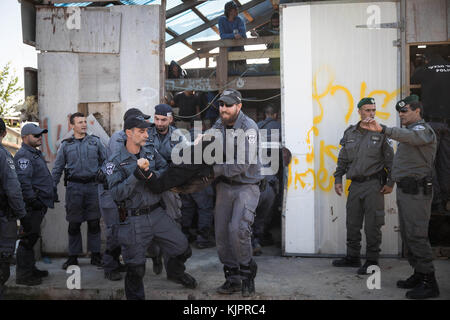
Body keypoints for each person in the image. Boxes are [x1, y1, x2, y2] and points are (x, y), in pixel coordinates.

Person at [106, 115, 197, 300]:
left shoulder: (150, 150)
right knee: (136, 269)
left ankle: (175, 272)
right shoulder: (114, 162)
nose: (147, 135)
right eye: (142, 131)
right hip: (134, 219)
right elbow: (115, 194)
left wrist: (151, 176)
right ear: (129, 133)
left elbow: (165, 168)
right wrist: (135, 176)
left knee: (183, 248)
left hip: (157, 213)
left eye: (147, 130)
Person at [360, 96, 439, 299]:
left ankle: (430, 282)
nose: (401, 115)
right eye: (400, 112)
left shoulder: (422, 131)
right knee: (407, 234)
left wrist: (384, 129)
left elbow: (411, 137)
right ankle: (419, 273)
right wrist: (391, 182)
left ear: (417, 111)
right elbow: (400, 161)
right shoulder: (408, 134)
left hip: (417, 193)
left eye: (405, 111)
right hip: (406, 191)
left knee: (417, 235)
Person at [332, 97, 394, 275]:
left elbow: (391, 160)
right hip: (355, 185)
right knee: (352, 223)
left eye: (373, 110)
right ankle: (352, 257)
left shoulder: (381, 132)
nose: (371, 114)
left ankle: (372, 261)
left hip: (374, 185)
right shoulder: (350, 133)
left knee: (372, 225)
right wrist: (338, 178)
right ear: (359, 111)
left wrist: (391, 182)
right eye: (367, 110)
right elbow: (343, 158)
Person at [211, 88, 262, 297]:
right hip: (225, 186)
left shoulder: (249, 128)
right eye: (221, 104)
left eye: (228, 105)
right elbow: (211, 139)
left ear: (238, 106)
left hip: (246, 186)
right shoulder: (220, 122)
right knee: (222, 233)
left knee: (238, 229)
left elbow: (242, 163)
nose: (223, 108)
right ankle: (232, 278)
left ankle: (247, 274)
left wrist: (211, 170)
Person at [98, 108, 149, 281]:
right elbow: (120, 168)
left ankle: (117, 263)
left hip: (123, 192)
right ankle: (110, 266)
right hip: (111, 192)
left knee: (124, 229)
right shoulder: (119, 139)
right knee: (114, 230)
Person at [52, 112, 106, 270]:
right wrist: (51, 187)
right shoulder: (66, 145)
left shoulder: (95, 142)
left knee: (94, 222)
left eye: (84, 122)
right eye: (80, 122)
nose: (83, 124)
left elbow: (106, 162)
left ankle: (95, 256)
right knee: (74, 224)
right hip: (74, 189)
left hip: (93, 187)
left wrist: (104, 175)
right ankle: (73, 257)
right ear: (72, 125)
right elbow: (57, 168)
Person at [146, 104, 186, 275]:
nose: (159, 123)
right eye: (156, 119)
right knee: (148, 220)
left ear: (170, 119)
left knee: (173, 220)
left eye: (163, 120)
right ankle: (155, 255)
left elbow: (184, 161)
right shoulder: (146, 133)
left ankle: (173, 266)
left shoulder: (179, 136)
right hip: (149, 183)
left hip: (169, 183)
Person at [14, 123, 54, 286]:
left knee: (33, 236)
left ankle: (30, 268)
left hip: (38, 204)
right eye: (36, 135)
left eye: (40, 135)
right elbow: (24, 182)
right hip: (31, 206)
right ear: (25, 137)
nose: (40, 138)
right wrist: (32, 200)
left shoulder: (34, 154)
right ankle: (23, 275)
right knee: (27, 239)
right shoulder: (24, 155)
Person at [411, 52, 450, 214]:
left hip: (432, 124)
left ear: (426, 59)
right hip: (448, 124)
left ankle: (436, 201)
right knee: (445, 163)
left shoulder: (426, 69)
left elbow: (412, 79)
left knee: (430, 163)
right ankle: (447, 199)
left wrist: (419, 65)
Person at [0, 118, 26, 299]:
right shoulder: (3, 155)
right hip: (2, 217)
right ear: (3, 134)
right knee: (2, 264)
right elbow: (13, 189)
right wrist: (22, 213)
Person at [252, 104, 282, 254]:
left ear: (265, 115)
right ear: (275, 115)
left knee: (251, 213)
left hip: (257, 175)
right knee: (265, 212)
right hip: (271, 173)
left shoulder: (256, 126)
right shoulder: (279, 126)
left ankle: (254, 241)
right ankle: (259, 238)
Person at [218, 1, 247, 74]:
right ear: (229, 11)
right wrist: (233, 36)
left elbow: (242, 34)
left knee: (243, 72)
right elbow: (222, 35)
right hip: (227, 50)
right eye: (235, 9)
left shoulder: (239, 19)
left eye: (237, 9)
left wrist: (233, 36)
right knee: (228, 72)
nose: (237, 10)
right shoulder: (221, 20)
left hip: (239, 49)